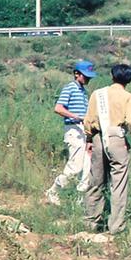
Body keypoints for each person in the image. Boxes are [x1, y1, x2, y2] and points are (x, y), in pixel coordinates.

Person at [83, 63, 131, 234]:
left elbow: (88, 120)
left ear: (112, 76)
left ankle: (90, 222)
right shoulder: (129, 98)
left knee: (95, 181)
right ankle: (116, 226)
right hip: (117, 138)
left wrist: (89, 138)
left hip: (97, 138)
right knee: (118, 184)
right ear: (129, 80)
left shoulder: (98, 94)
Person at [45, 60, 95, 205]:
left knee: (87, 167)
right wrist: (76, 117)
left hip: (84, 131)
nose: (88, 79)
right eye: (85, 76)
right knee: (75, 167)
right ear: (76, 74)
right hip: (74, 129)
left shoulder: (83, 92)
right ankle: (53, 190)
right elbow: (58, 108)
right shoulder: (70, 88)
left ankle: (80, 200)